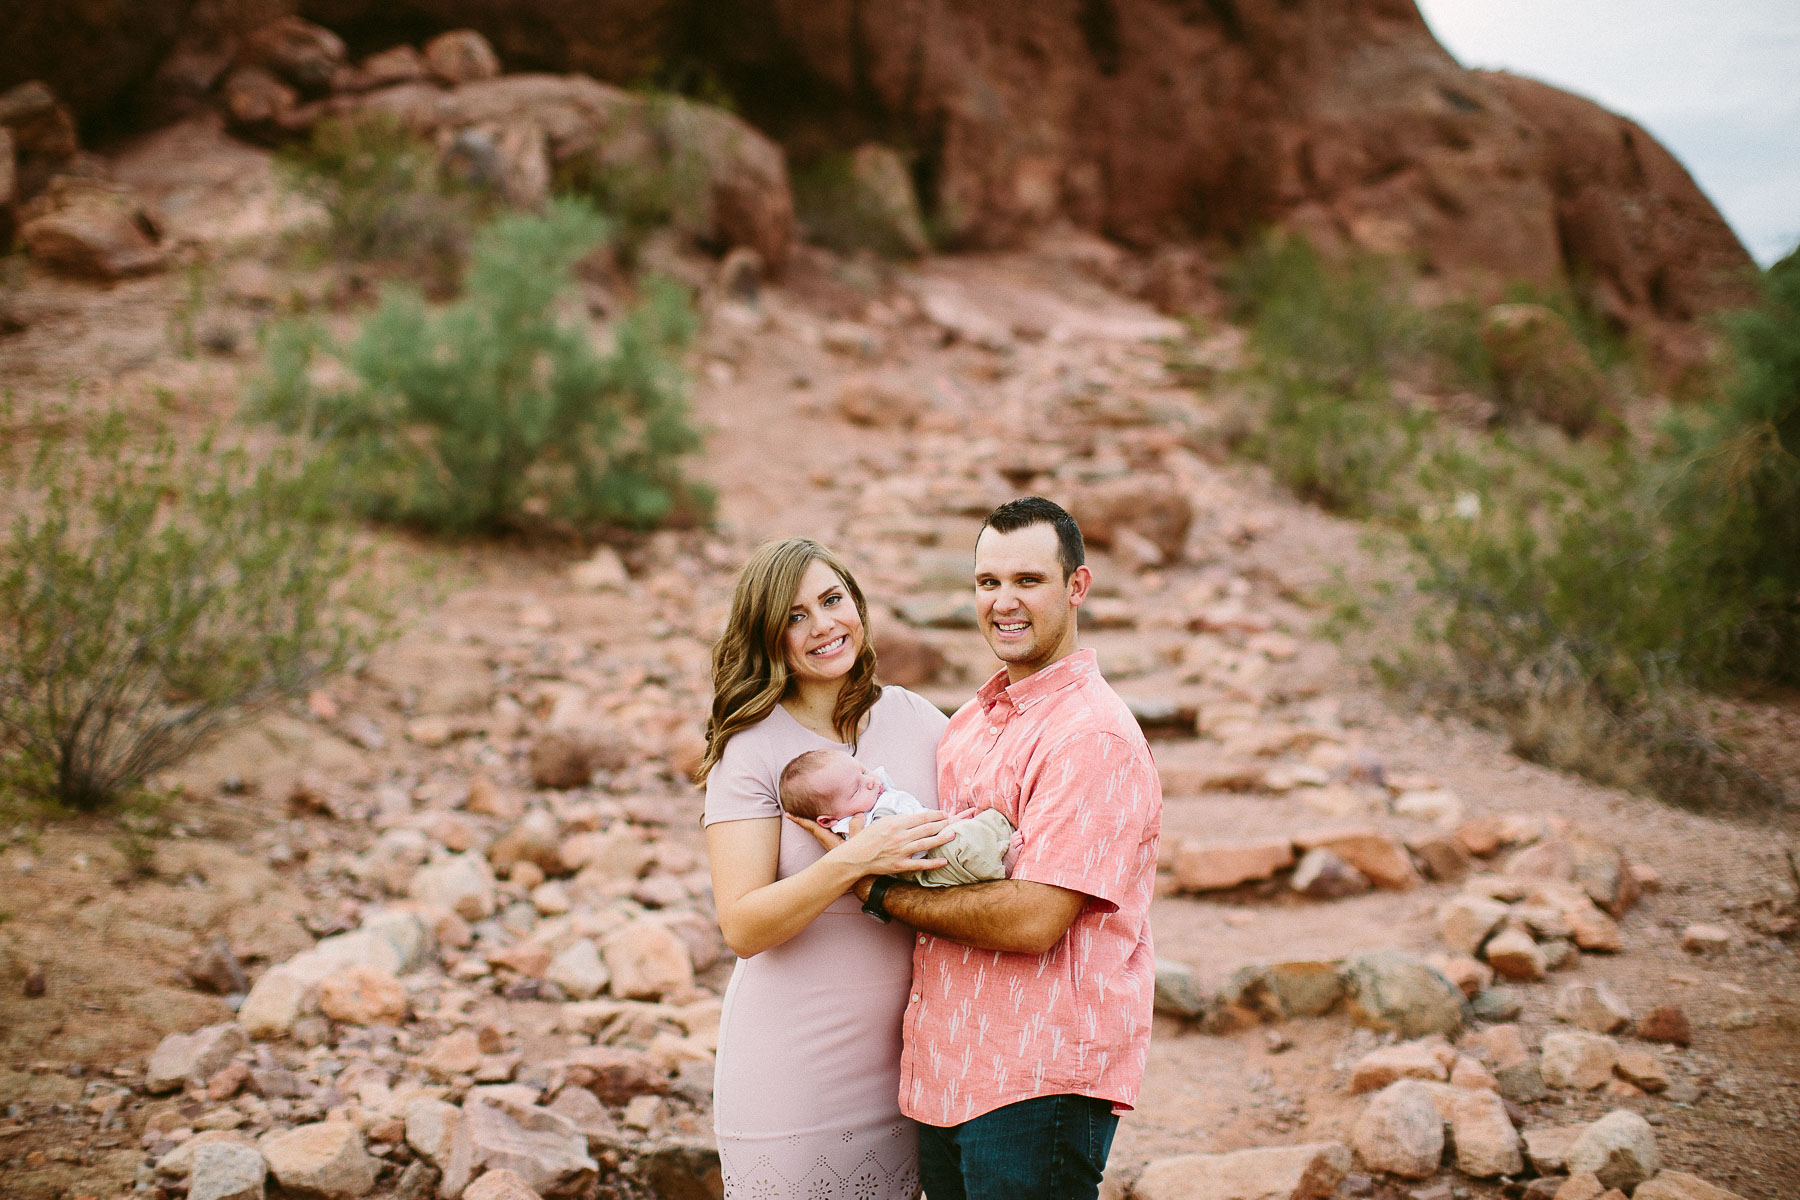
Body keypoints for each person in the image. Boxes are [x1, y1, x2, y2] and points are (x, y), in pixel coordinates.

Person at [841, 496, 1163, 1200]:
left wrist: (878, 892)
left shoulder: (1091, 737)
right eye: (988, 583)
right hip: (944, 1072)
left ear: (1077, 587)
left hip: (1035, 1080)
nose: (1003, 602)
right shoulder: (970, 722)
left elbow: (1032, 919)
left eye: (1028, 581)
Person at [698, 537, 956, 1199]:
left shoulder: (918, 719)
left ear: (857, 604)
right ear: (767, 636)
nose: (822, 625)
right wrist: (851, 862)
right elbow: (743, 926)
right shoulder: (751, 749)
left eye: (832, 600)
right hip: (794, 1069)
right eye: (794, 616)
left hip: (910, 1065)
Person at [779, 748, 1017, 886]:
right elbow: (905, 847)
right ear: (828, 821)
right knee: (965, 849)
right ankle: (1001, 867)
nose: (871, 781)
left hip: (940, 835)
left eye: (863, 771)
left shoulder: (874, 794)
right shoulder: (862, 828)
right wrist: (948, 825)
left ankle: (1001, 837)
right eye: (856, 789)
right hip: (931, 859)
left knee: (986, 820)